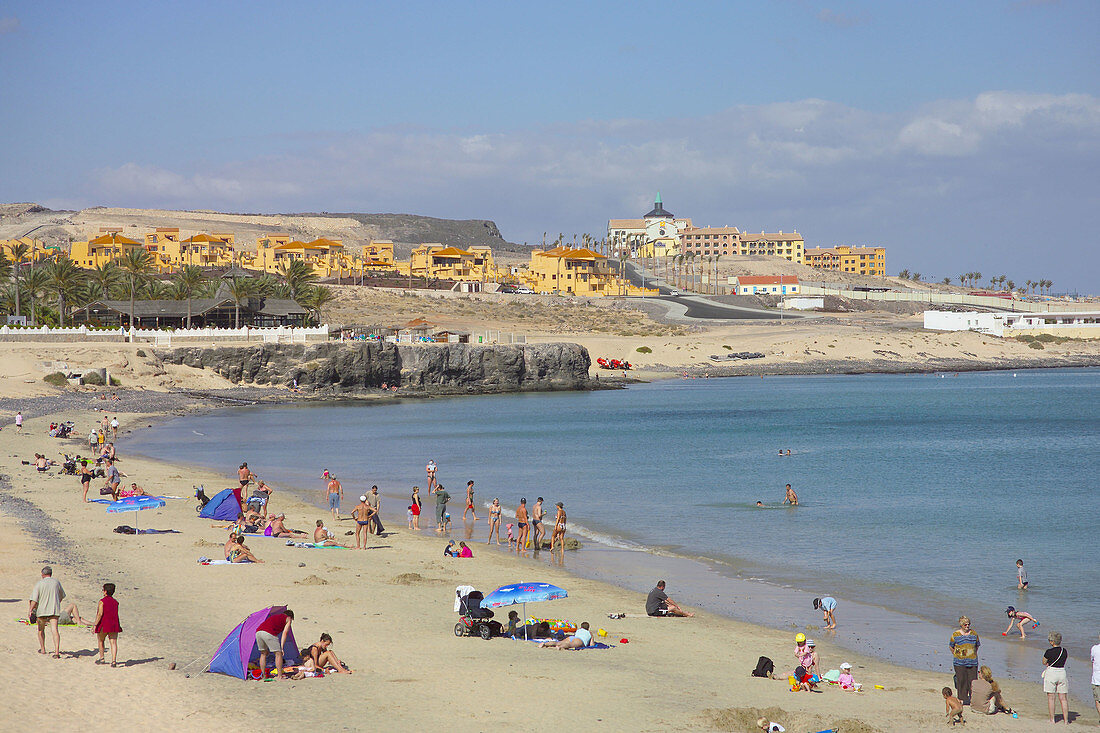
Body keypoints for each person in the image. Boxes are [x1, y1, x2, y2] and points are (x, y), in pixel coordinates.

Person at [29, 566, 65, 658]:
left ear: (43, 574)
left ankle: (43, 649)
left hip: (42, 610)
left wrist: (30, 610)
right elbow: (61, 596)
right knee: (54, 630)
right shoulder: (56, 582)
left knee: (41, 630)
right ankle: (56, 651)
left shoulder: (40, 583)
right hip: (54, 609)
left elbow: (34, 599)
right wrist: (56, 602)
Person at [949, 615, 980, 705]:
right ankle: (962, 699)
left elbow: (977, 645)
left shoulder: (974, 634)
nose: (967, 626)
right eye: (965, 625)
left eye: (968, 624)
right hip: (959, 662)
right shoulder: (955, 635)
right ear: (961, 625)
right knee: (961, 680)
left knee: (972, 681)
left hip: (972, 662)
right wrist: (957, 655)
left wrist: (972, 654)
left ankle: (972, 698)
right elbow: (951, 646)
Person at [255, 609, 294, 680]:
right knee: (278, 654)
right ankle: (279, 676)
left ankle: (263, 675)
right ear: (291, 617)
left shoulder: (275, 616)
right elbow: (285, 633)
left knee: (263, 654)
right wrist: (281, 647)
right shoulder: (288, 619)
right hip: (269, 633)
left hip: (258, 632)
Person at [1042, 631, 1069, 725]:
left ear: (1052, 642)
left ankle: (1052, 720)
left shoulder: (1048, 652)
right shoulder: (1064, 651)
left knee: (1051, 698)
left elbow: (1044, 662)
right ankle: (1066, 720)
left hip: (1052, 673)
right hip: (1062, 672)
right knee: (1063, 698)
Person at [92, 583, 122, 667]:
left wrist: (95, 624)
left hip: (104, 624)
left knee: (101, 640)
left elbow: (100, 614)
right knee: (113, 642)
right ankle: (114, 661)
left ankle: (102, 658)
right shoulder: (116, 602)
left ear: (105, 591)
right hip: (113, 624)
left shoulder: (102, 601)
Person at [1090, 632, 1100, 724]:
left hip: (1097, 679)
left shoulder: (1095, 649)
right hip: (1097, 678)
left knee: (1098, 700)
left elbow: (1092, 660)